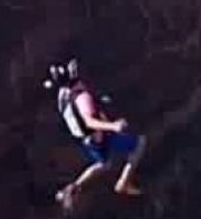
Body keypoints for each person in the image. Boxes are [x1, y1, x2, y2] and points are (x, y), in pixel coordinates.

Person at [45, 59, 147, 211]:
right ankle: (123, 182)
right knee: (140, 143)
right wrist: (113, 126)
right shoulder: (81, 98)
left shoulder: (63, 96)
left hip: (87, 141)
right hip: (101, 136)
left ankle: (73, 187)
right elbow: (88, 121)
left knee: (104, 164)